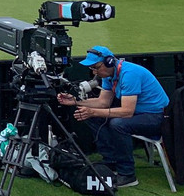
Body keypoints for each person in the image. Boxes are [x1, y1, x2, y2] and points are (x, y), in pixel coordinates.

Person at [57, 46, 169, 187]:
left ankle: (127, 174)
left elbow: (127, 112)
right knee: (92, 115)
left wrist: (92, 111)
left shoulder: (130, 74)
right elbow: (103, 102)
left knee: (118, 124)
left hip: (157, 117)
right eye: (92, 68)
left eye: (96, 67)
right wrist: (74, 101)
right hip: (139, 114)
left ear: (109, 62)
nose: (94, 72)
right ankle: (111, 161)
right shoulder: (109, 75)